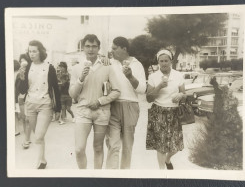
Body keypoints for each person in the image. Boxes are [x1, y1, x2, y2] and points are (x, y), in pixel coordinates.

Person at [69, 34, 120, 169]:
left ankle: (97, 177)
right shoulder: (76, 68)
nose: (90, 49)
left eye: (94, 46)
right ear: (83, 48)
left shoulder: (107, 66)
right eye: (87, 46)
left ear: (98, 48)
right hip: (83, 111)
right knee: (79, 149)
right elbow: (73, 94)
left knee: (98, 147)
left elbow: (116, 90)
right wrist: (81, 78)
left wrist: (100, 101)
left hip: (101, 112)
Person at [17, 40, 61, 169]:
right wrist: (22, 77)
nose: (31, 54)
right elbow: (22, 90)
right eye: (30, 51)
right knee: (38, 136)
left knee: (38, 136)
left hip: (45, 105)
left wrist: (58, 107)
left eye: (34, 51)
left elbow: (55, 89)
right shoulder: (26, 67)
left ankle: (39, 161)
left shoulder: (49, 67)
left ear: (40, 52)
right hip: (30, 104)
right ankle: (42, 160)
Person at [106, 36, 146, 169]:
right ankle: (111, 177)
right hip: (113, 105)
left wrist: (130, 76)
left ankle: (124, 175)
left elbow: (142, 89)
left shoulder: (136, 64)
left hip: (131, 105)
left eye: (114, 48)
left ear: (124, 48)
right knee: (113, 144)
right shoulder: (109, 63)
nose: (111, 51)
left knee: (128, 145)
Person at [146, 49, 186, 170]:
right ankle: (161, 171)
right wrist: (159, 86)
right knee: (161, 145)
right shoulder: (153, 76)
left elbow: (184, 93)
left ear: (171, 61)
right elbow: (148, 98)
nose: (164, 63)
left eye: (166, 60)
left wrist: (181, 95)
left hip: (174, 113)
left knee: (176, 145)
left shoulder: (178, 75)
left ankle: (168, 159)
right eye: (161, 61)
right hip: (158, 112)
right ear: (158, 62)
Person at [17, 53, 32, 148]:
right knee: (23, 118)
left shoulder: (31, 71)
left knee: (28, 119)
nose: (23, 62)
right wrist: (21, 76)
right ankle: (26, 137)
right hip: (21, 97)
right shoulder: (19, 72)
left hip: (29, 97)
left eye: (24, 60)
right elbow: (18, 87)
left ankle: (27, 138)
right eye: (21, 61)